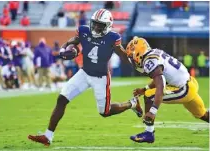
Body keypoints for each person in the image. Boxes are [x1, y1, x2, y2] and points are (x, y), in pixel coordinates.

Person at [28, 9, 143, 146]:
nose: (95, 27)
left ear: (107, 26)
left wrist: (135, 59)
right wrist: (67, 50)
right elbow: (72, 42)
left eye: (100, 25)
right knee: (62, 99)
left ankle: (132, 103)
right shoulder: (84, 30)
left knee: (105, 112)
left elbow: (123, 57)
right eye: (94, 23)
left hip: (101, 78)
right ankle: (48, 136)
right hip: (84, 73)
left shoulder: (113, 38)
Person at [125, 37, 209, 143]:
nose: (132, 60)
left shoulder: (149, 61)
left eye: (132, 57)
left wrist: (152, 112)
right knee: (203, 115)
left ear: (139, 53)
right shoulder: (154, 53)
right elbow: (159, 77)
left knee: (149, 95)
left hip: (183, 89)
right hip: (190, 83)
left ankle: (148, 132)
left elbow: (160, 85)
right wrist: (145, 88)